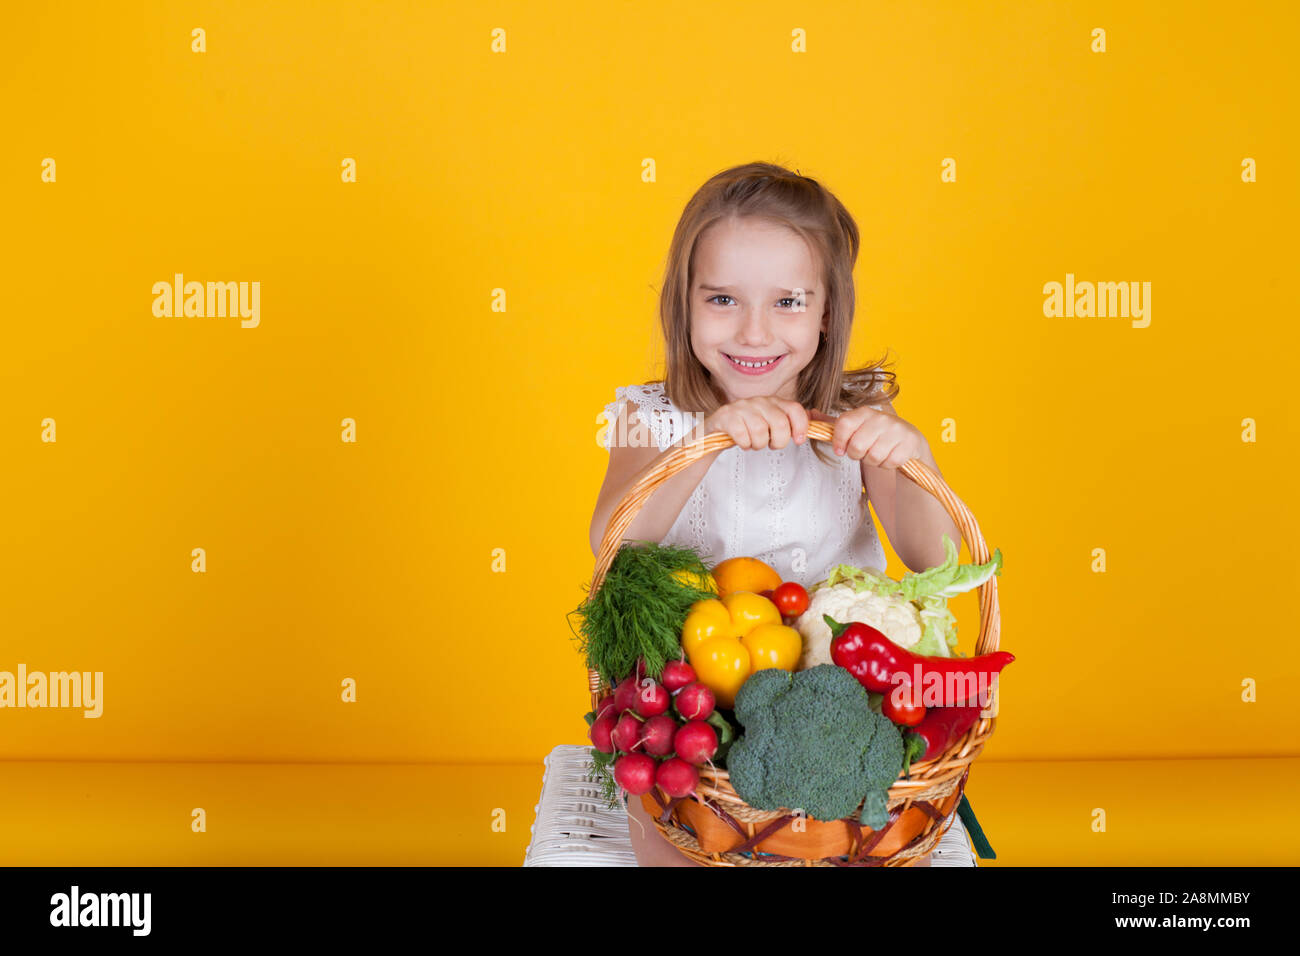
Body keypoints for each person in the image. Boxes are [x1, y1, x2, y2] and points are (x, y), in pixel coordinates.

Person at [588, 161, 964, 867]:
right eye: (723, 298)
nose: (754, 333)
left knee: (848, 844)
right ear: (683, 305)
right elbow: (612, 539)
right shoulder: (650, 418)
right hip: (693, 705)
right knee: (678, 841)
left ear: (827, 313)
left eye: (788, 302)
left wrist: (913, 458)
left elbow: (933, 556)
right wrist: (707, 440)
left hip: (839, 691)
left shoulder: (855, 417)